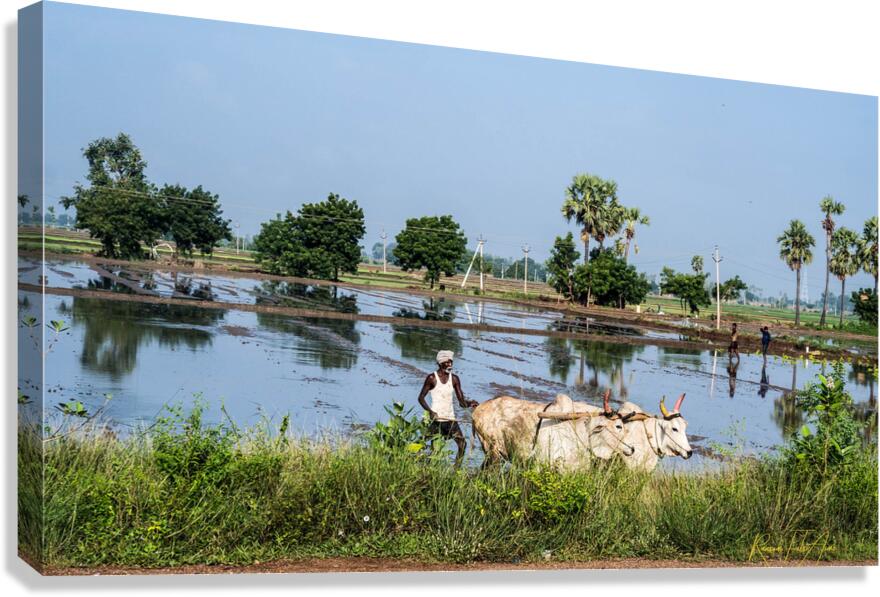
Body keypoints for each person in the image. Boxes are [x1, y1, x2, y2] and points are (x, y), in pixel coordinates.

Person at [416, 350, 478, 467]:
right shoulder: (431, 378)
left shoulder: (454, 379)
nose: (450, 365)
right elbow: (420, 398)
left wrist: (470, 403)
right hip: (437, 421)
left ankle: (456, 469)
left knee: (462, 445)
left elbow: (461, 403)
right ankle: (422, 465)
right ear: (440, 363)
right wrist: (430, 412)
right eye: (447, 362)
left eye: (451, 362)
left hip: (450, 420)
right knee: (423, 444)